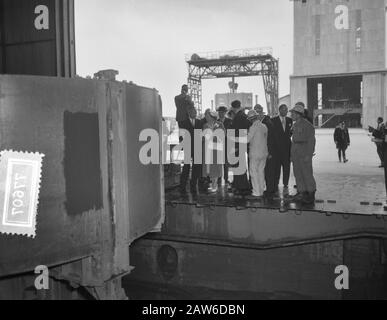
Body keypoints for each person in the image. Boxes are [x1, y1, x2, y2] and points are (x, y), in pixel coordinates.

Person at [289, 102, 317, 205]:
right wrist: (291, 155)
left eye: (293, 113)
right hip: (296, 152)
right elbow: (294, 141)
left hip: (304, 152)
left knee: (307, 174)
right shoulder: (295, 125)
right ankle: (302, 192)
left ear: (298, 114)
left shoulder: (308, 125)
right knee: (298, 174)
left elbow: (311, 141)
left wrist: (308, 155)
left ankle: (310, 193)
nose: (291, 115)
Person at [254, 104, 276, 200]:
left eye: (257, 113)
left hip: (267, 152)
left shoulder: (268, 123)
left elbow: (271, 139)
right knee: (262, 170)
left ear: (261, 113)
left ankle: (270, 190)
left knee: (268, 171)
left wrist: (270, 152)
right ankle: (265, 189)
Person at [179, 107, 203, 194]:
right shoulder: (183, 123)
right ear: (189, 112)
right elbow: (181, 136)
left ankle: (193, 185)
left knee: (196, 168)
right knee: (186, 167)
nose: (195, 113)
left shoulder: (199, 122)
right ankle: (182, 186)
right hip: (187, 148)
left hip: (197, 148)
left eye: (196, 112)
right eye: (193, 112)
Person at [245, 110, 268, 199]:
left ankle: (256, 193)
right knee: (261, 172)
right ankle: (261, 190)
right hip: (264, 153)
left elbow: (247, 139)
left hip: (255, 153)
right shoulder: (264, 126)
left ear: (250, 119)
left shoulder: (253, 127)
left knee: (253, 172)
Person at [230, 100, 251, 196]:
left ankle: (241, 187)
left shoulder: (238, 117)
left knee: (239, 166)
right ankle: (240, 185)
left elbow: (236, 132)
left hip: (238, 144)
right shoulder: (244, 116)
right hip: (242, 143)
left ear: (233, 107)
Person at [202, 109, 225, 193]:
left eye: (207, 116)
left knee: (215, 167)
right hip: (208, 149)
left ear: (212, 116)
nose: (206, 117)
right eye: (205, 116)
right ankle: (212, 184)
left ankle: (215, 185)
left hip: (216, 149)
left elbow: (222, 135)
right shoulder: (205, 125)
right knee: (209, 167)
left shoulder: (220, 124)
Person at [272, 104, 293, 191]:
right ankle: (276, 183)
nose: (286, 111)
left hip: (287, 148)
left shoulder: (289, 120)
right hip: (276, 149)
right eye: (284, 110)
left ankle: (285, 183)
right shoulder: (273, 120)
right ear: (280, 110)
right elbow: (271, 135)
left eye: (287, 110)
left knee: (286, 167)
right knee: (276, 168)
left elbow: (290, 133)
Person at [217, 106, 233, 185]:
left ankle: (226, 179)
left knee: (226, 163)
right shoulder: (215, 122)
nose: (221, 113)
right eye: (219, 112)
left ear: (225, 113)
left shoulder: (230, 121)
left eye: (222, 112)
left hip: (227, 144)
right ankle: (219, 179)